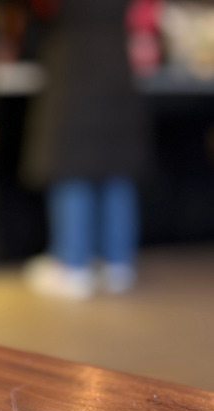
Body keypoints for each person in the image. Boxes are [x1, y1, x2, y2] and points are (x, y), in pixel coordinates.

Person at [18, 0, 152, 299]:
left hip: (73, 67)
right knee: (116, 166)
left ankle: (72, 263)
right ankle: (118, 262)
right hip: (118, 62)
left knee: (70, 163)